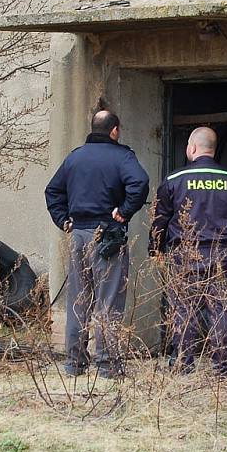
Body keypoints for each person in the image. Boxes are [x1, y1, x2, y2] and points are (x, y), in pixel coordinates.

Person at [45, 110, 149, 378]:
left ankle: (74, 364)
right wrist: (124, 211)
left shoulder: (74, 157)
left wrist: (62, 219)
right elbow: (140, 183)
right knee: (109, 301)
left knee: (78, 301)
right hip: (107, 236)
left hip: (77, 234)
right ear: (115, 130)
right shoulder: (123, 156)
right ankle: (107, 365)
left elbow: (53, 190)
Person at [149, 127, 227, 376]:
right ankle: (223, 366)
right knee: (223, 309)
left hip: (185, 254)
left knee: (184, 308)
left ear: (192, 148)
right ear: (213, 149)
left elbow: (160, 218)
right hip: (223, 253)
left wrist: (155, 249)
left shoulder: (174, 180)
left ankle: (183, 363)